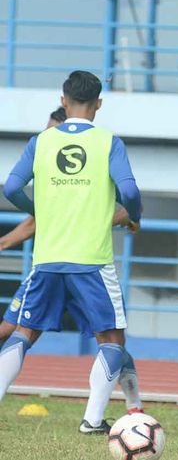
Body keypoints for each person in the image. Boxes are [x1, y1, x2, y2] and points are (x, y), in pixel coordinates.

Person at [0, 71, 143, 435]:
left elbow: (13, 186)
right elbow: (129, 190)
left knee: (23, 333)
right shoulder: (109, 142)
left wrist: (37, 209)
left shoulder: (41, 141)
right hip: (92, 262)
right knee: (112, 340)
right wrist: (134, 216)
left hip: (47, 259)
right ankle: (93, 420)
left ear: (63, 100)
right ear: (99, 104)